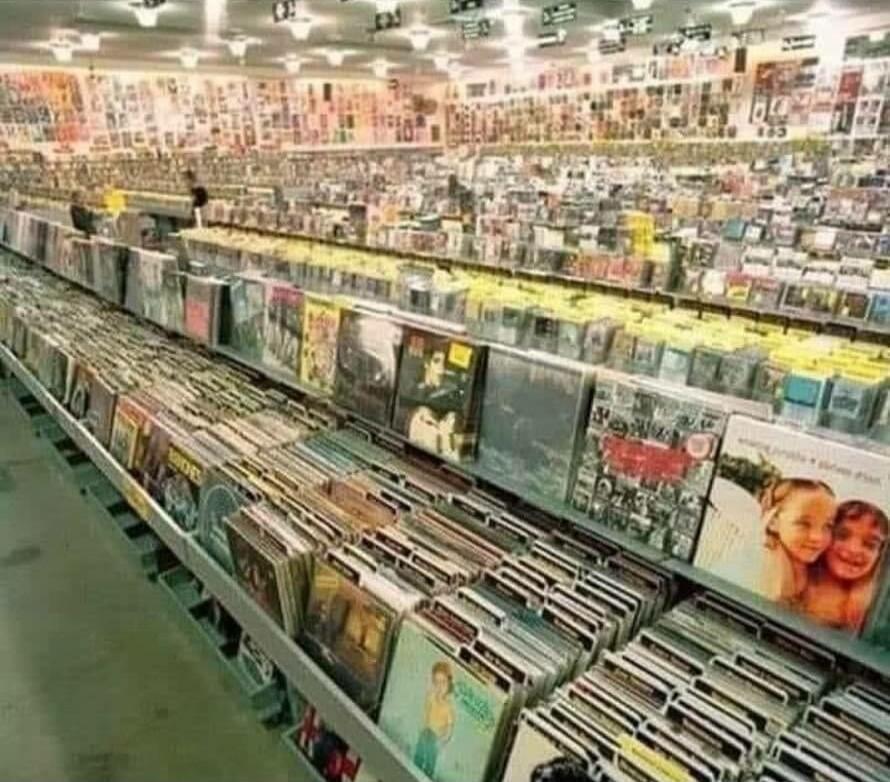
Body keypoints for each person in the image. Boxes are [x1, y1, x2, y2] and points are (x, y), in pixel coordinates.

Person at [802, 501, 889, 631]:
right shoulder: (797, 578)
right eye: (842, 535)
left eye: (870, 544)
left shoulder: (876, 607)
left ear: (880, 555)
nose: (854, 549)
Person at [413, 660, 455, 777]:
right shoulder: (430, 697)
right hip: (425, 732)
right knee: (418, 757)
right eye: (436, 682)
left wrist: (442, 741)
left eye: (443, 683)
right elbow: (426, 713)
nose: (439, 687)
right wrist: (422, 726)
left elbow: (450, 727)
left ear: (449, 684)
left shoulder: (448, 708)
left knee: (430, 763)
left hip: (435, 737)